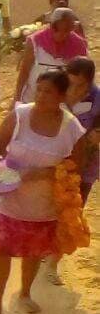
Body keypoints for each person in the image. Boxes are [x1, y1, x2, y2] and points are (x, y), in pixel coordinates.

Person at [0, 70, 87, 314]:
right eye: (39, 90)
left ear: (61, 96)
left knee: (33, 250)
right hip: (9, 197)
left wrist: (46, 172)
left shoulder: (71, 127)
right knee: (2, 249)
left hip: (44, 204)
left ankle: (25, 293)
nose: (41, 96)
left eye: (48, 92)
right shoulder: (19, 115)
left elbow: (78, 164)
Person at [15, 8, 88, 103]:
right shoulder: (35, 41)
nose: (60, 34)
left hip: (62, 100)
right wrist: (17, 97)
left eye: (65, 30)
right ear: (51, 26)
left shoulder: (78, 45)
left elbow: (84, 76)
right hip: (33, 97)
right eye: (56, 29)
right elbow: (24, 71)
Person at [66, 57, 99, 207]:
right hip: (58, 158)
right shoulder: (56, 90)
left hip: (86, 160)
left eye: (80, 85)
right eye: (70, 83)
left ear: (89, 82)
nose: (74, 90)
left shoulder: (97, 96)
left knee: (76, 206)